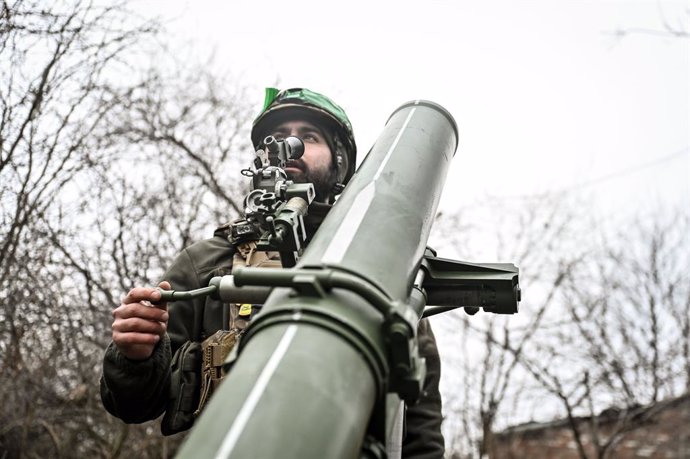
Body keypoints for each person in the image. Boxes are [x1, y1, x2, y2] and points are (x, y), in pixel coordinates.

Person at [100, 87, 445, 458]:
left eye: (308, 136)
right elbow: (134, 405)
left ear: (340, 160)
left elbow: (419, 427)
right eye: (277, 137)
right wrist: (135, 355)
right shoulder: (207, 263)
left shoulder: (375, 271)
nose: (290, 144)